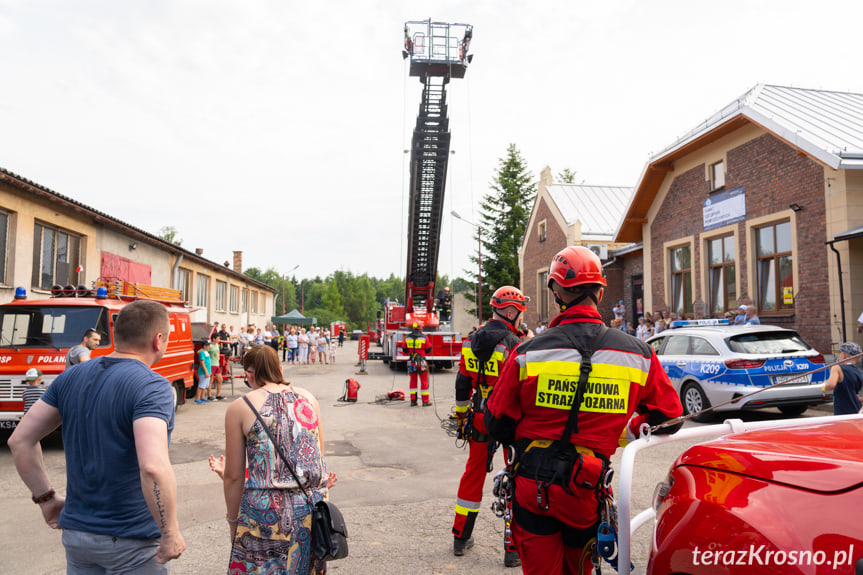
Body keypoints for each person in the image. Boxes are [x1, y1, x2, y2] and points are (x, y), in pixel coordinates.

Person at [485, 246, 684, 575]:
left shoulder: (527, 352)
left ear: (556, 291)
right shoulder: (639, 354)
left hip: (534, 489)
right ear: (601, 291)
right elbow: (670, 418)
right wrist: (623, 428)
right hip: (587, 490)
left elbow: (496, 422)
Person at [9, 299, 186, 572]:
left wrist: (46, 499)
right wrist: (170, 531)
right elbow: (153, 467)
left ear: (116, 333)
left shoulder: (70, 377)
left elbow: (19, 440)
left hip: (78, 537)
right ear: (158, 339)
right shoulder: (153, 386)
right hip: (132, 539)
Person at [222, 345, 333, 574]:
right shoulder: (310, 399)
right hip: (309, 509)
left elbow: (233, 477)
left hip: (265, 513)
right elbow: (319, 457)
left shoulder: (240, 407)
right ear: (279, 369)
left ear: (249, 375)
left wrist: (233, 522)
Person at [452, 286, 528, 567]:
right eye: (519, 313)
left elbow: (462, 383)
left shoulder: (470, 341)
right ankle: (512, 549)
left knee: (472, 474)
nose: (520, 319)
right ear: (510, 312)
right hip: (508, 420)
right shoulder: (513, 344)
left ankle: (461, 536)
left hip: (479, 417)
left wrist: (462, 418)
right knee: (516, 477)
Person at [823, 342, 863, 415]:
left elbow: (831, 385)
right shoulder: (860, 372)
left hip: (842, 411)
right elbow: (856, 394)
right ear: (858, 358)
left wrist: (824, 389)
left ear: (843, 355)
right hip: (857, 410)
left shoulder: (837, 368)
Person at [401, 321, 432, 406]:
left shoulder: (407, 338)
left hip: (412, 362)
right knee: (424, 381)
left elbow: (404, 349)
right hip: (421, 362)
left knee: (413, 381)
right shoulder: (424, 338)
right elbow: (428, 349)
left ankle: (413, 401)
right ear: (421, 328)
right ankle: (425, 401)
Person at [195, 340, 211, 404]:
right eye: (208, 345)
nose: (209, 346)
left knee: (204, 386)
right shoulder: (202, 352)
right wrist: (206, 372)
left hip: (207, 372)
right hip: (203, 372)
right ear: (204, 346)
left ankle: (202, 397)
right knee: (201, 386)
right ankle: (197, 398)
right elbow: (202, 362)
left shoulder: (206, 352)